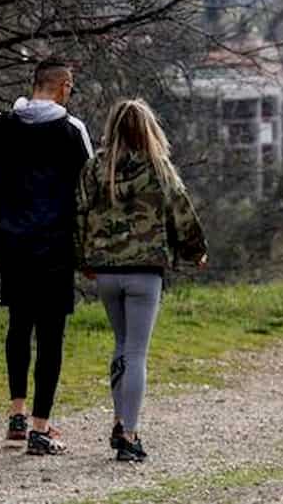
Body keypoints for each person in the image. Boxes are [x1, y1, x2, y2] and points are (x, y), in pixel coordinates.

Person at [0, 58, 93, 455]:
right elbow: (86, 197)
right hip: (56, 246)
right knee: (52, 333)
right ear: (63, 87)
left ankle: (16, 414)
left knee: (19, 324)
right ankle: (42, 426)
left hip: (11, 244)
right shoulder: (72, 132)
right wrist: (91, 252)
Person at [74, 98, 207, 463]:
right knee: (136, 351)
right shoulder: (158, 168)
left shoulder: (95, 168)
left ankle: (119, 419)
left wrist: (83, 258)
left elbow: (79, 215)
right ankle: (129, 434)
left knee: (121, 345)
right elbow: (181, 212)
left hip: (105, 270)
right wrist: (196, 251)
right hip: (145, 270)